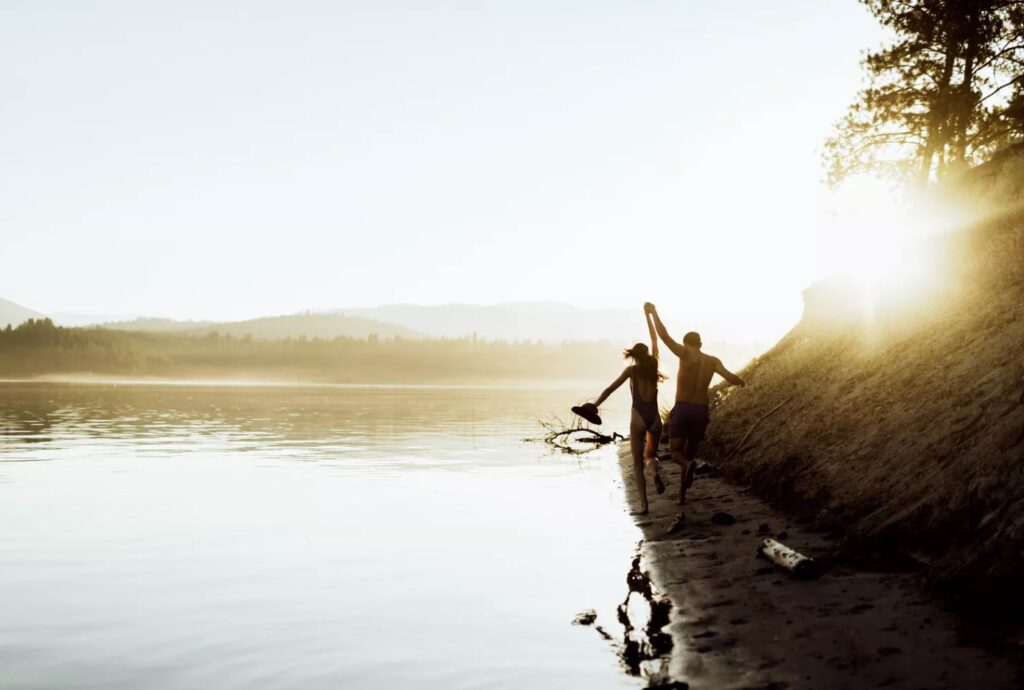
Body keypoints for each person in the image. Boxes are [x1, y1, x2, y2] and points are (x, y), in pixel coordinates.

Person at [644, 302, 745, 517]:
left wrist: (653, 313)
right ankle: (682, 495)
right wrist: (741, 381)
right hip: (701, 410)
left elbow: (663, 336)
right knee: (689, 451)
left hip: (683, 409)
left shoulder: (684, 354)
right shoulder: (712, 360)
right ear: (700, 343)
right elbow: (730, 377)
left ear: (686, 344)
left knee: (676, 454)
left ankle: (689, 466)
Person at [590, 309, 666, 515]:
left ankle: (644, 505)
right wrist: (649, 315)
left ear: (634, 356)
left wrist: (595, 404)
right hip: (656, 420)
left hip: (639, 418)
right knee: (651, 455)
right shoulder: (654, 365)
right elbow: (655, 339)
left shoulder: (631, 371)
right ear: (647, 355)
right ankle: (655, 473)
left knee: (637, 463)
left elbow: (609, 389)